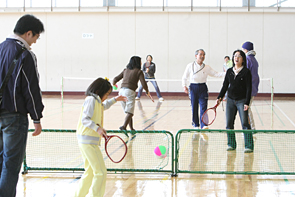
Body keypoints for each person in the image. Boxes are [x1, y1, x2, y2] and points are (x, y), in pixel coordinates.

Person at [0, 14, 45, 197]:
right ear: (28, 33)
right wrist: (36, 117)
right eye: (36, 37)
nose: (34, 42)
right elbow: (31, 89)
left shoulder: (1, 48)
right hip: (14, 116)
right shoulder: (25, 54)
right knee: (11, 165)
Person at [75, 77, 126, 197]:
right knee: (101, 172)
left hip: (87, 141)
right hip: (88, 142)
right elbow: (85, 119)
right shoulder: (91, 100)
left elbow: (104, 106)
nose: (107, 97)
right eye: (107, 94)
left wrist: (115, 99)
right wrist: (97, 128)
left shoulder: (96, 101)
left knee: (90, 171)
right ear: (99, 92)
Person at [216, 49, 253, 153]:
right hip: (230, 101)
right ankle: (231, 144)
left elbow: (249, 88)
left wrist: (247, 102)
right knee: (228, 124)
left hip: (242, 101)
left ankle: (249, 146)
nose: (236, 58)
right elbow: (225, 86)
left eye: (239, 56)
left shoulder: (246, 72)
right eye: (235, 56)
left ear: (243, 59)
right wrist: (219, 97)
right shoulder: (229, 71)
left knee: (245, 124)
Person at [182, 49, 225, 130]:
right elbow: (184, 77)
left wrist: (227, 73)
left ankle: (204, 125)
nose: (202, 56)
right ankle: (195, 124)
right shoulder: (190, 66)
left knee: (203, 107)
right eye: (200, 54)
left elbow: (216, 74)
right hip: (193, 88)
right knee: (194, 107)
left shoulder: (206, 67)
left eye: (204, 55)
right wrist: (184, 86)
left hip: (203, 88)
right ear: (196, 56)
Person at [113, 56, 151, 136]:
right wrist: (147, 91)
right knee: (130, 112)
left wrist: (114, 84)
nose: (141, 63)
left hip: (121, 92)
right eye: (140, 61)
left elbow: (115, 79)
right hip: (129, 92)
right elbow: (143, 83)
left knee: (129, 113)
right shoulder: (139, 71)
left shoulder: (125, 70)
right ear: (137, 62)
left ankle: (131, 129)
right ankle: (123, 126)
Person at [242, 41, 260, 130]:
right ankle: (250, 128)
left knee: (246, 109)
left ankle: (250, 129)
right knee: (246, 109)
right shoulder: (254, 60)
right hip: (253, 88)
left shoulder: (248, 59)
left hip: (249, 89)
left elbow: (245, 74)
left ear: (245, 50)